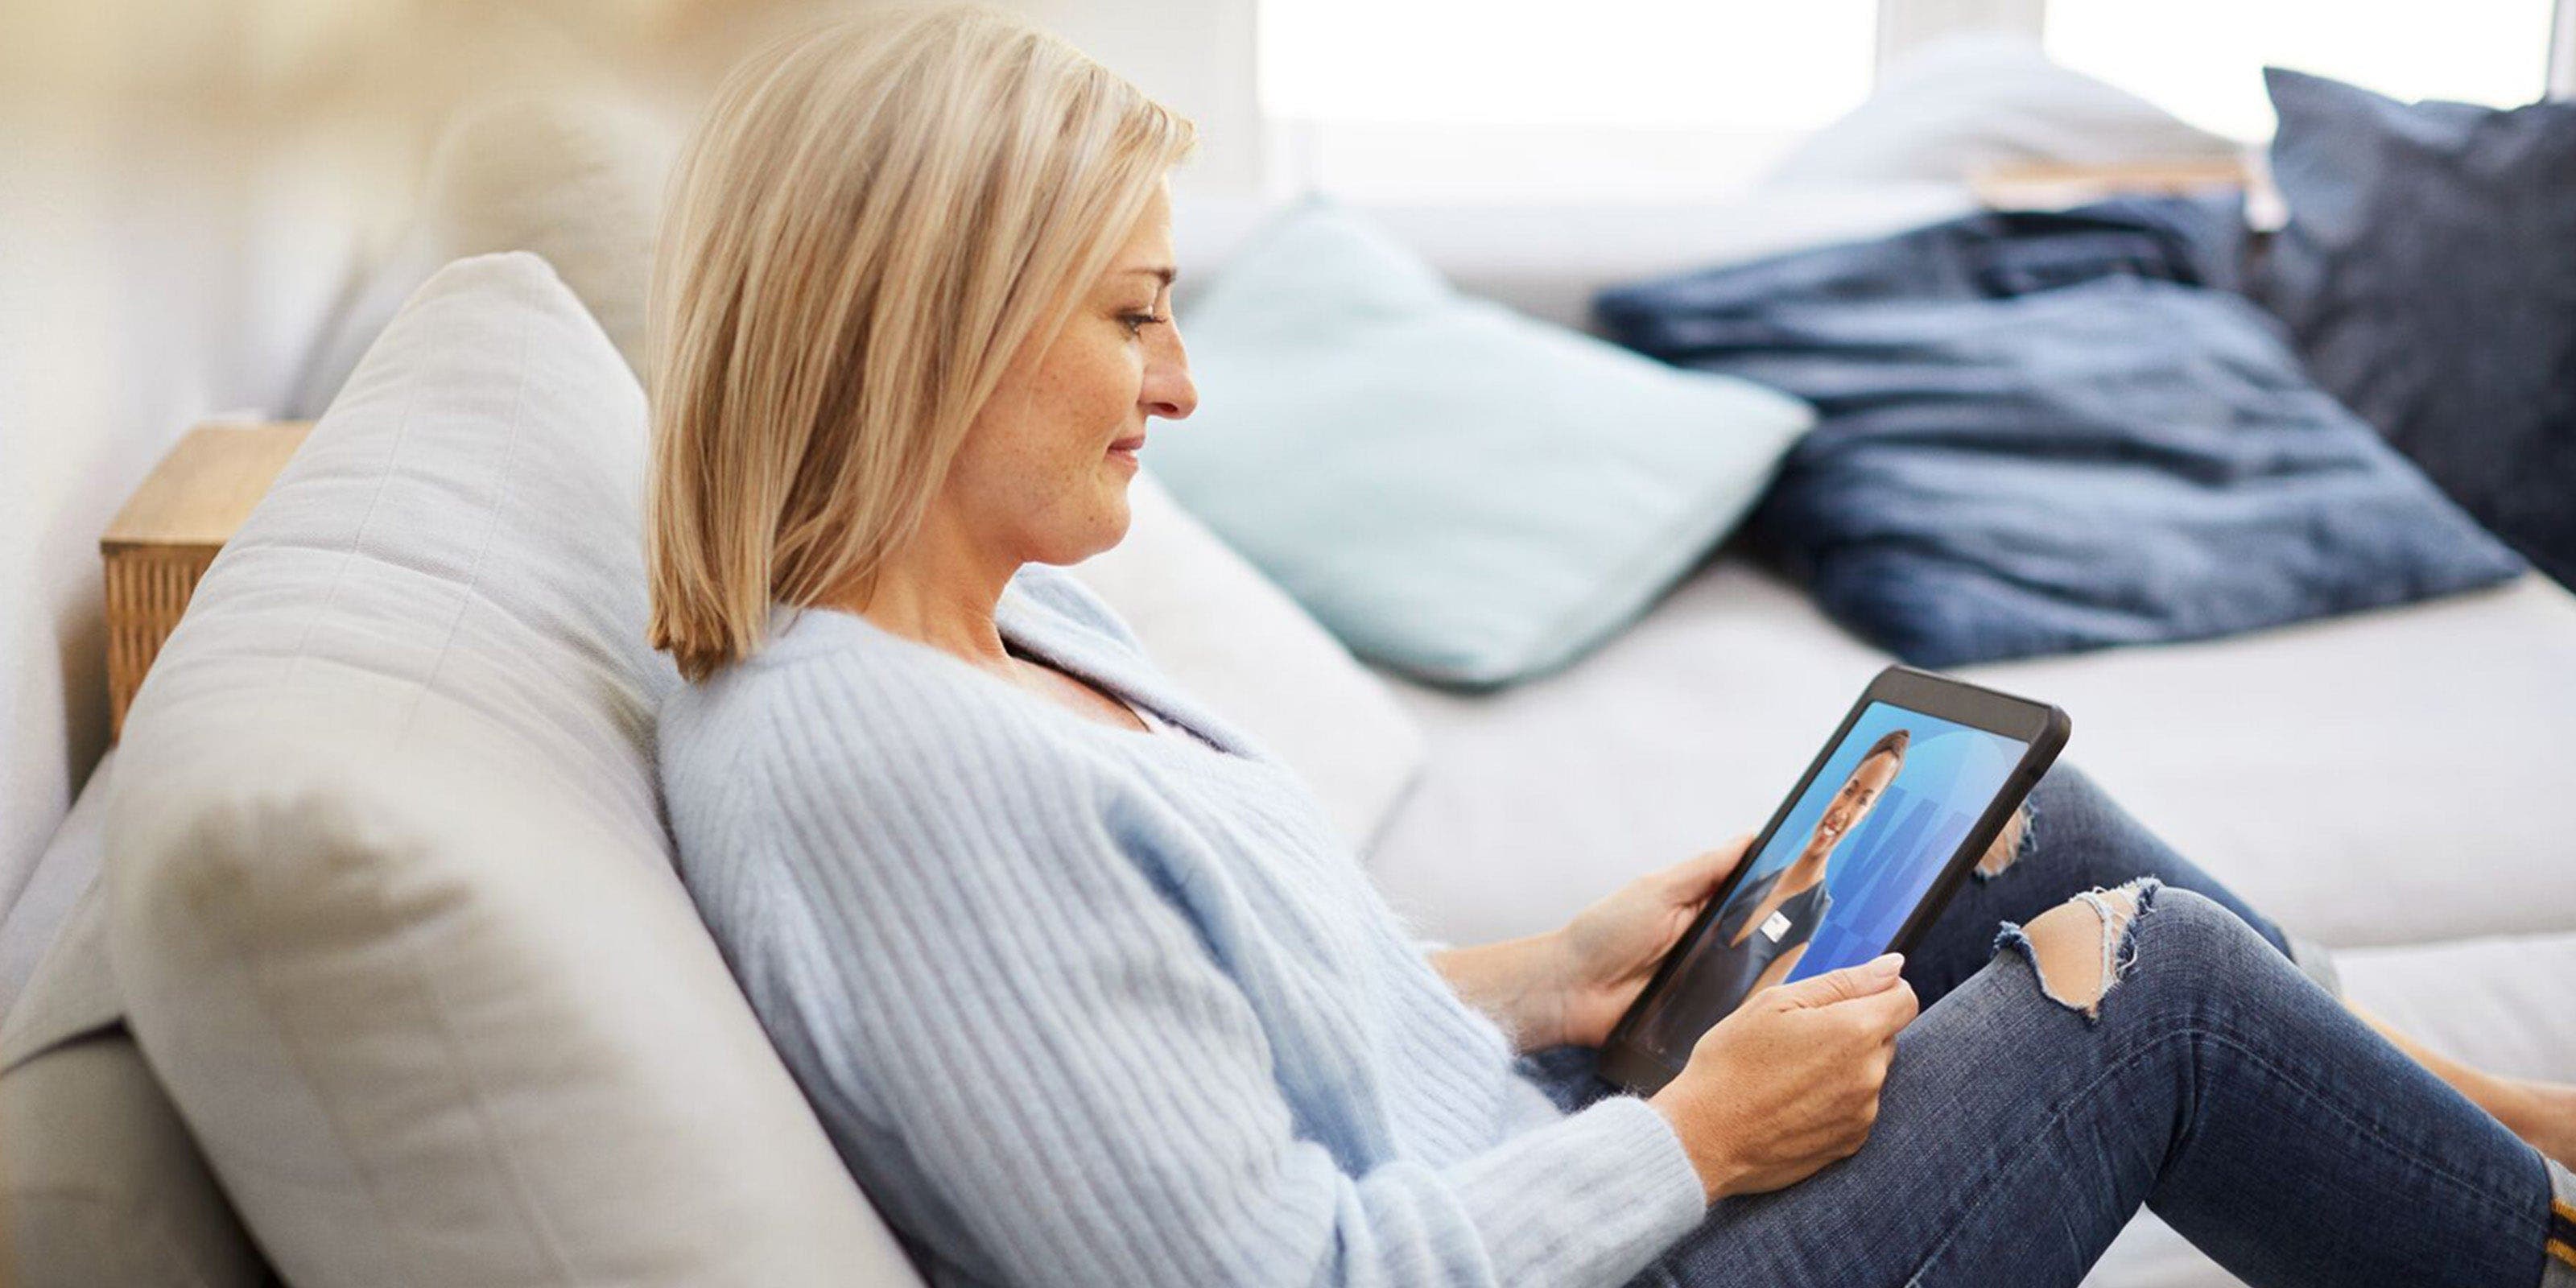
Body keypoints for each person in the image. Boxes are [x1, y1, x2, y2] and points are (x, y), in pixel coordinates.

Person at [644, 6, 2576, 1286]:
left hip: (1530, 1158)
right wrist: (1687, 1136)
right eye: (1133, 314)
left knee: (2011, 825)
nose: (1181, 381)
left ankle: (2472, 1133)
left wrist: (1537, 980)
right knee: (2142, 981)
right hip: (1595, 1241)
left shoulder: (1004, 623)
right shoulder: (878, 764)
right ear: (938, 322)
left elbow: (1185, 1003)